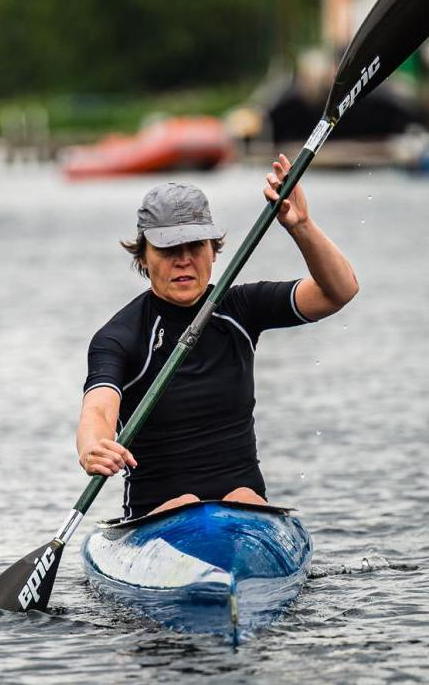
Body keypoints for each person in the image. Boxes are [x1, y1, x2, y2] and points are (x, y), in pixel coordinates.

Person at [76, 154, 358, 519]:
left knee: (242, 496)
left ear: (214, 250)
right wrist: (92, 447)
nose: (184, 260)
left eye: (195, 246)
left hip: (247, 515)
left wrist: (300, 225)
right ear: (143, 256)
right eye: (168, 249)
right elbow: (98, 408)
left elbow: (339, 291)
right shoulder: (120, 336)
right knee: (187, 506)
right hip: (158, 519)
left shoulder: (240, 308)